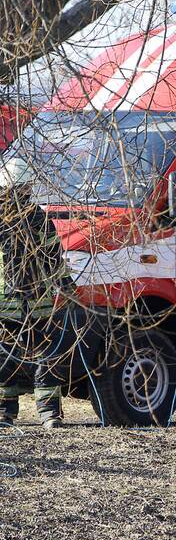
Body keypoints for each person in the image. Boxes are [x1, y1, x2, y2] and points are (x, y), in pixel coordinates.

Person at [0, 157, 72, 428]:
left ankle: (5, 414)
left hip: (5, 302)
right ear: (25, 187)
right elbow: (54, 259)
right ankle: (49, 414)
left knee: (5, 359)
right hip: (37, 301)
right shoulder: (37, 217)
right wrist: (68, 288)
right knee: (45, 356)